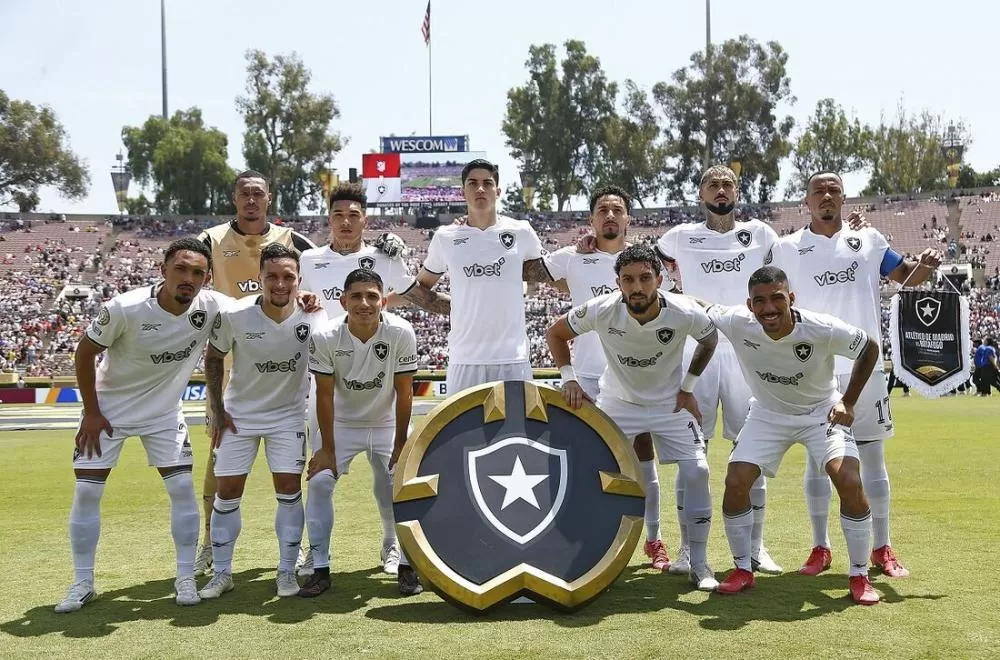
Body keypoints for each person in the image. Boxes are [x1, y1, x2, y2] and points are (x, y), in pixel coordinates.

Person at [769, 171, 942, 578]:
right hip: (813, 368)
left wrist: (927, 266)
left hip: (865, 367)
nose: (826, 196)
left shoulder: (869, 240)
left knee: (872, 458)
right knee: (817, 461)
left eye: (833, 190)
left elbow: (906, 277)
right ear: (806, 201)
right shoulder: (786, 248)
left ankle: (882, 547)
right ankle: (820, 547)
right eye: (818, 191)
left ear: (844, 198)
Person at [55, 238, 230, 612]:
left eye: (198, 273)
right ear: (163, 270)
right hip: (108, 412)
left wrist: (305, 299)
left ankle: (184, 577)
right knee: (87, 493)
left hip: (163, 414)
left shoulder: (213, 306)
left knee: (181, 489)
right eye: (181, 269)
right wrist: (91, 412)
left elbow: (256, 307)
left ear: (207, 278)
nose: (188, 278)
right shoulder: (125, 307)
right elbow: (84, 353)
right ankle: (83, 582)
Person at [700, 265, 882, 605]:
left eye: (777, 298)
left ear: (791, 298)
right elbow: (701, 306)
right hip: (768, 414)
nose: (768, 308)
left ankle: (859, 574)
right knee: (736, 481)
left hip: (820, 413)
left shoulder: (822, 328)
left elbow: (869, 348)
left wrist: (848, 401)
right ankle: (742, 569)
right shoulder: (737, 321)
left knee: (848, 480)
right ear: (749, 304)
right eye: (759, 301)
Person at [546, 244, 721, 591]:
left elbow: (710, 339)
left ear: (659, 280)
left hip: (669, 405)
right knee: (591, 472)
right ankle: (590, 556)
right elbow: (556, 332)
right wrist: (569, 379)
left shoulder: (683, 310)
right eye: (628, 280)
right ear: (618, 283)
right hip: (618, 403)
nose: (637, 287)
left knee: (698, 470)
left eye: (644, 278)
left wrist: (687, 388)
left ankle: (698, 562)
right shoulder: (602, 309)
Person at [296, 182, 446, 577]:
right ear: (328, 219)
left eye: (353, 216)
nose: (345, 223)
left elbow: (413, 295)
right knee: (319, 476)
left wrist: (466, 309)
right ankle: (316, 555)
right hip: (328, 377)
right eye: (338, 215)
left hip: (377, 380)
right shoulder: (309, 259)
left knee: (388, 480)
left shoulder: (384, 256)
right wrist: (300, 299)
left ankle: (394, 545)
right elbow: (292, 298)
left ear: (365, 220)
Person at [652, 165, 782, 576]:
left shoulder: (761, 234)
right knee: (693, 453)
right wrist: (681, 298)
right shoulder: (678, 236)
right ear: (701, 193)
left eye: (727, 184)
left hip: (747, 352)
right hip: (699, 349)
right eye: (713, 184)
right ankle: (688, 552)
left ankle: (757, 548)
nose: (721, 190)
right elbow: (649, 270)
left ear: (737, 191)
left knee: (753, 448)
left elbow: (791, 265)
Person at [193, 170, 317, 577]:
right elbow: (183, 270)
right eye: (244, 193)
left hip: (281, 362)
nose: (251, 200)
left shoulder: (292, 240)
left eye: (257, 194)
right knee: (218, 458)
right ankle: (209, 543)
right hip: (229, 361)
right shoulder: (211, 240)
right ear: (234, 198)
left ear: (269, 199)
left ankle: (299, 547)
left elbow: (327, 266)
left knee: (293, 470)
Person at [545, 184, 671, 572]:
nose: (610, 215)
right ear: (591, 219)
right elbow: (521, 265)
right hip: (585, 377)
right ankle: (580, 541)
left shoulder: (648, 262)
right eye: (603, 210)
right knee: (582, 459)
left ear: (628, 218)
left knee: (643, 455)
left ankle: (654, 539)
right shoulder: (571, 257)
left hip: (635, 377)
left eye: (617, 209)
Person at [302, 269, 422, 597]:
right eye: (356, 296)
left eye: (372, 296)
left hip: (386, 423)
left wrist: (401, 443)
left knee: (400, 485)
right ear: (343, 301)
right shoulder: (325, 336)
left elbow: (404, 391)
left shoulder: (401, 331)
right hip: (341, 424)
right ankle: (320, 568)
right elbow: (324, 395)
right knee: (320, 482)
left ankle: (405, 562)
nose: (364, 303)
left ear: (384, 301)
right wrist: (327, 449)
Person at [407, 159, 554, 398]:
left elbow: (548, 273)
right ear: (462, 191)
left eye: (487, 183)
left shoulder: (522, 231)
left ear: (498, 191)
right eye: (473, 183)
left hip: (513, 359)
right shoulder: (445, 237)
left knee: (517, 423)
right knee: (462, 424)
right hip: (465, 359)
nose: (480, 189)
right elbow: (421, 287)